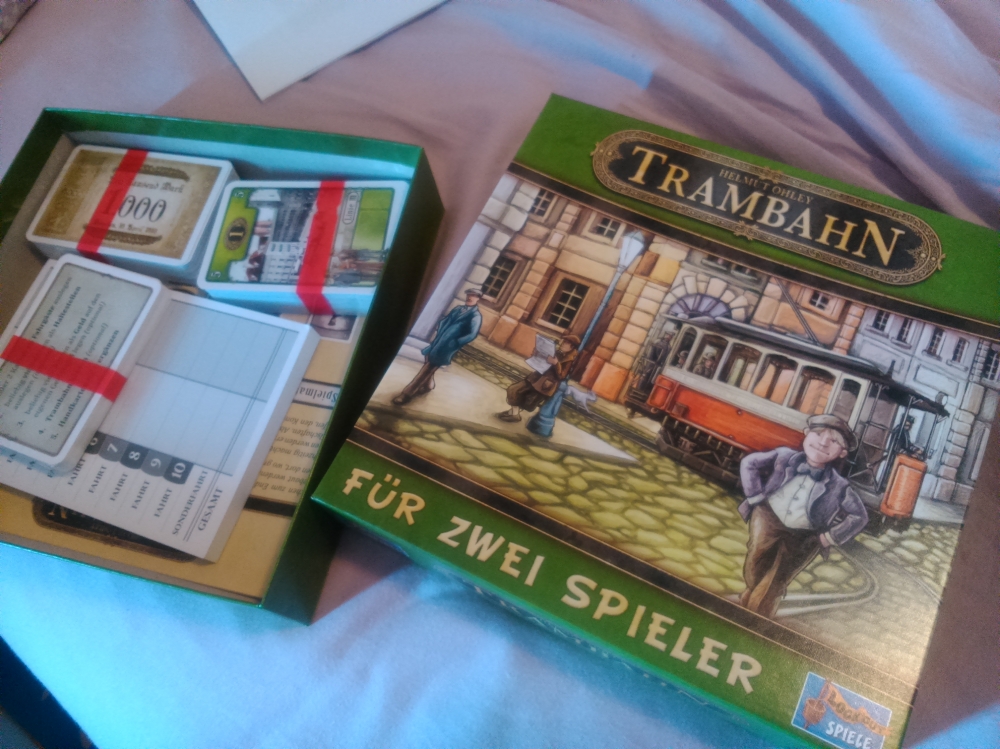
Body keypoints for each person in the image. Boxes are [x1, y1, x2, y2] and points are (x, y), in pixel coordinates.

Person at [737, 414, 867, 618]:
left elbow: (859, 516)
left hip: (804, 535)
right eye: (818, 434)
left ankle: (755, 619)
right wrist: (755, 497)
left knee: (777, 578)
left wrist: (828, 537)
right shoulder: (783, 456)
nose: (823, 443)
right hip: (767, 517)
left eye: (834, 441)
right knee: (755, 563)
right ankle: (751, 596)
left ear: (842, 452)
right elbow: (749, 463)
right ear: (806, 434)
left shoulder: (839, 485)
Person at [392, 289, 483, 406]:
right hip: (439, 341)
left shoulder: (475, 316)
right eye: (469, 295)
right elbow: (446, 320)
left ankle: (406, 394)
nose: (470, 297)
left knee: (429, 367)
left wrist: (456, 342)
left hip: (449, 346)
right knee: (428, 359)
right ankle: (429, 385)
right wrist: (440, 329)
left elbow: (472, 334)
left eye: (474, 296)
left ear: (478, 299)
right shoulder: (458, 309)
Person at [495, 334, 580, 423]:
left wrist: (556, 363)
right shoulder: (557, 352)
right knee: (514, 390)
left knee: (524, 396)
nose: (562, 343)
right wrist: (537, 354)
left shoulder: (570, 360)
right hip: (536, 377)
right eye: (563, 341)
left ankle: (514, 414)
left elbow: (562, 376)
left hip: (544, 384)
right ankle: (513, 413)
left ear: (572, 347)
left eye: (566, 342)